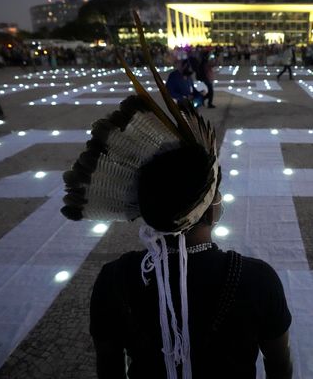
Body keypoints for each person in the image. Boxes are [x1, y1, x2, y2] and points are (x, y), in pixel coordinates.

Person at [61, 63, 293, 378]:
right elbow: (279, 366)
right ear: (211, 210)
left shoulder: (113, 279)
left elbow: (109, 369)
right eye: (216, 194)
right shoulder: (258, 280)